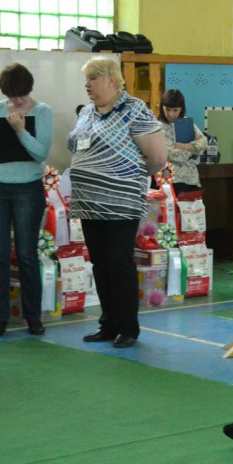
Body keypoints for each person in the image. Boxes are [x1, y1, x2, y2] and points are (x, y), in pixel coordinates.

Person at [67, 56, 166, 349]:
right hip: (89, 202)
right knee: (99, 262)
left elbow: (158, 158)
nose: (87, 85)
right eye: (86, 79)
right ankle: (108, 323)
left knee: (118, 261)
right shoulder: (86, 112)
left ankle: (127, 327)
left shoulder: (135, 110)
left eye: (93, 79)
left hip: (120, 201)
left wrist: (126, 176)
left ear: (112, 80)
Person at [0, 63, 52, 338]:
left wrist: (20, 131)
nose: (16, 101)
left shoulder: (43, 112)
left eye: (21, 96)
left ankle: (33, 316)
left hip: (28, 189)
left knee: (27, 255)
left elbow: (40, 153)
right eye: (11, 96)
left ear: (29, 90)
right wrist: (4, 136)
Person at [159, 88, 208, 196]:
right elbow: (174, 155)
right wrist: (195, 150)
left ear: (182, 108)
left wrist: (183, 146)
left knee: (193, 212)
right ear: (162, 107)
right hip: (170, 181)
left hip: (192, 179)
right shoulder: (158, 127)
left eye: (175, 110)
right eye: (167, 109)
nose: (171, 114)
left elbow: (204, 143)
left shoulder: (186, 123)